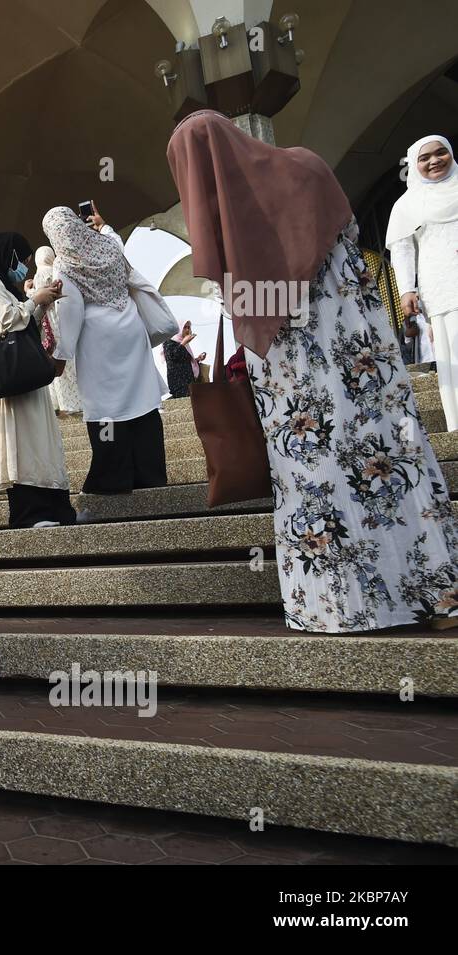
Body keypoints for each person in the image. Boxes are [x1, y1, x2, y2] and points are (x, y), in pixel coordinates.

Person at [169, 110, 458, 633]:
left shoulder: (221, 221)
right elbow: (352, 252)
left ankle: (342, 606)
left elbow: (234, 299)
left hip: (290, 376)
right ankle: (434, 591)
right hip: (358, 356)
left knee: (316, 476)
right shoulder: (307, 167)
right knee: (388, 456)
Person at [44, 206, 168, 495]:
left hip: (98, 341)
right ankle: (150, 475)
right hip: (130, 327)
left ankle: (112, 477)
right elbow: (118, 244)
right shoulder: (108, 245)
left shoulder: (64, 264)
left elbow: (71, 312)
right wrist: (103, 224)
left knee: (106, 409)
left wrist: (61, 355)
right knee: (141, 402)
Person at [0, 232, 75, 528]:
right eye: (23, 260)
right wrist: (34, 300)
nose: (25, 268)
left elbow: (24, 320)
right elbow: (7, 319)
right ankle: (30, 513)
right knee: (24, 444)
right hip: (14, 376)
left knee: (41, 443)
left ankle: (56, 510)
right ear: (9, 253)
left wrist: (44, 302)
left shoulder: (4, 283)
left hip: (26, 376)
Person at [387, 135, 458, 428]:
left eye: (441, 153)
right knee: (454, 344)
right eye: (425, 157)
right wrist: (406, 290)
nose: (435, 160)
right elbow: (402, 250)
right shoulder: (407, 205)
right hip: (442, 282)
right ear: (414, 165)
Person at [34, 247, 83, 417]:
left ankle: (60, 404)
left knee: (54, 365)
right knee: (69, 362)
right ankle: (77, 401)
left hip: (47, 326)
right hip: (59, 321)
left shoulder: (36, 276)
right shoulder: (54, 272)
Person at [163, 320, 204, 398]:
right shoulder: (169, 341)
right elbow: (172, 356)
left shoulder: (184, 344)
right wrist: (183, 343)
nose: (187, 330)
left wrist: (198, 359)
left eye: (189, 327)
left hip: (189, 382)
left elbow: (184, 361)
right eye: (185, 327)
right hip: (178, 383)